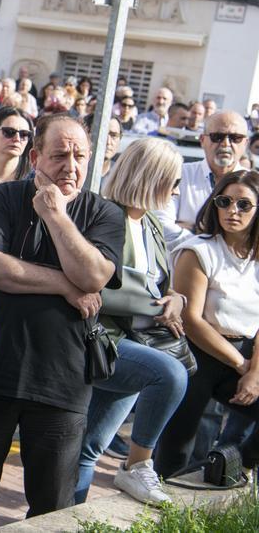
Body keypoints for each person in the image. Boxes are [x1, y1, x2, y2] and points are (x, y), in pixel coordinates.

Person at [0, 114, 125, 530]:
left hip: (62, 383)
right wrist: (66, 285)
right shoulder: (4, 198)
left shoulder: (104, 213)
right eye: (60, 155)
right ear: (36, 157)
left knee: (52, 505)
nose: (71, 166)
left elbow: (96, 276)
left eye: (80, 156)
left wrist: (58, 217)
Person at [73, 138, 189, 505]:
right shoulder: (103, 214)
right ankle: (137, 466)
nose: (176, 190)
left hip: (139, 342)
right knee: (169, 375)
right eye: (172, 180)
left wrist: (177, 299)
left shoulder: (152, 223)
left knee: (88, 446)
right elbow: (90, 281)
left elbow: (161, 283)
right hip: (100, 339)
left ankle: (62, 518)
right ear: (151, 177)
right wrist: (152, 303)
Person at [152, 170, 259, 479]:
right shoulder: (198, 250)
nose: (232, 211)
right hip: (198, 353)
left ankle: (236, 465)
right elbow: (192, 319)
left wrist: (254, 372)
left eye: (244, 204)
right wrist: (241, 364)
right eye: (224, 201)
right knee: (177, 449)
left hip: (247, 352)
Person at [158, 111, 249, 247]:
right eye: (217, 137)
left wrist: (193, 230)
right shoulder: (179, 174)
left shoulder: (254, 185)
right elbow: (161, 226)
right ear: (202, 140)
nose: (226, 144)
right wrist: (218, 243)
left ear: (245, 143)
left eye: (235, 138)